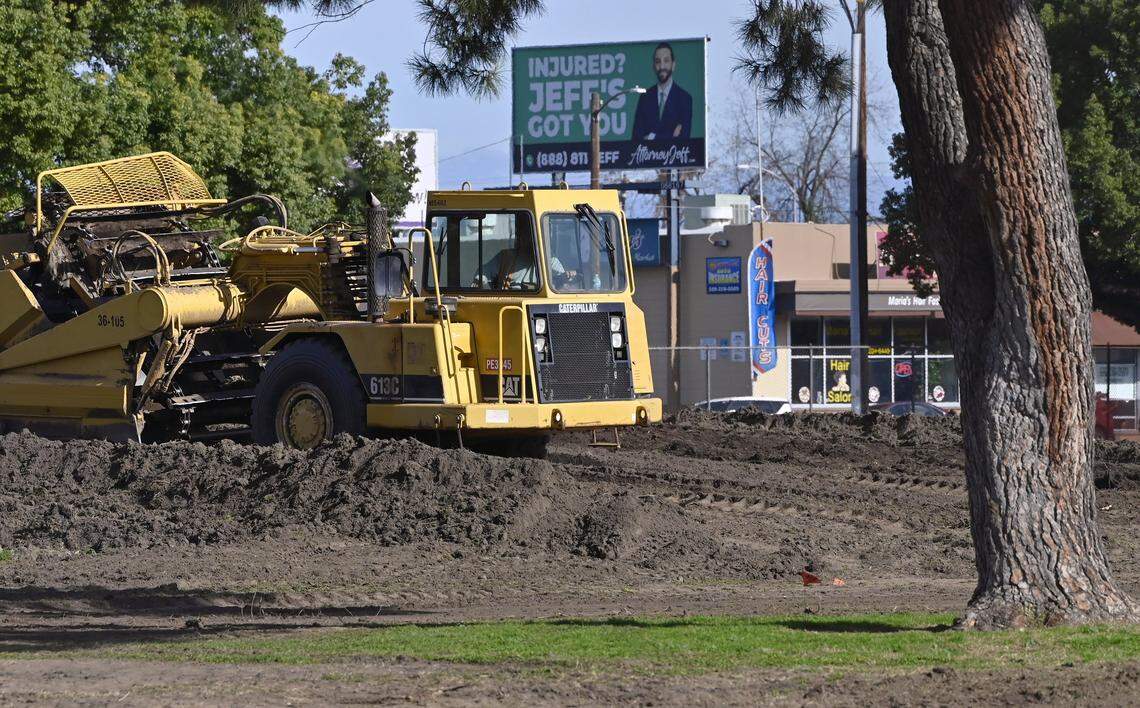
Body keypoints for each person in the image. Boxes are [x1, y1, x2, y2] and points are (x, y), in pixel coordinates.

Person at [631, 42, 694, 142]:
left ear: (673, 65)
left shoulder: (685, 99)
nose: (662, 66)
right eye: (658, 62)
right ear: (653, 66)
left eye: (666, 61)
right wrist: (671, 135)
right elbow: (636, 138)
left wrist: (651, 137)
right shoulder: (645, 97)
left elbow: (683, 138)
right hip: (647, 156)